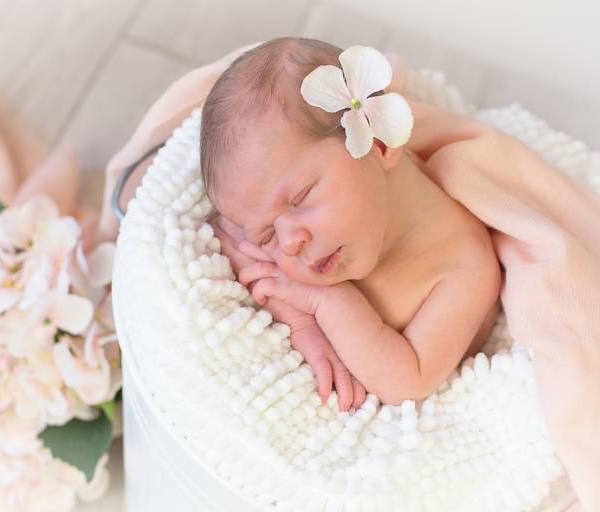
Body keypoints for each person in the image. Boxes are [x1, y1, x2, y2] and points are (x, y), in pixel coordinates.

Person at [201, 37, 502, 409]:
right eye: (266, 236)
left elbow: (409, 380)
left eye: (300, 198)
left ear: (379, 145)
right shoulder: (306, 225)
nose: (289, 243)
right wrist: (300, 322)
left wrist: (326, 301)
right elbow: (226, 234)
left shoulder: (464, 266)